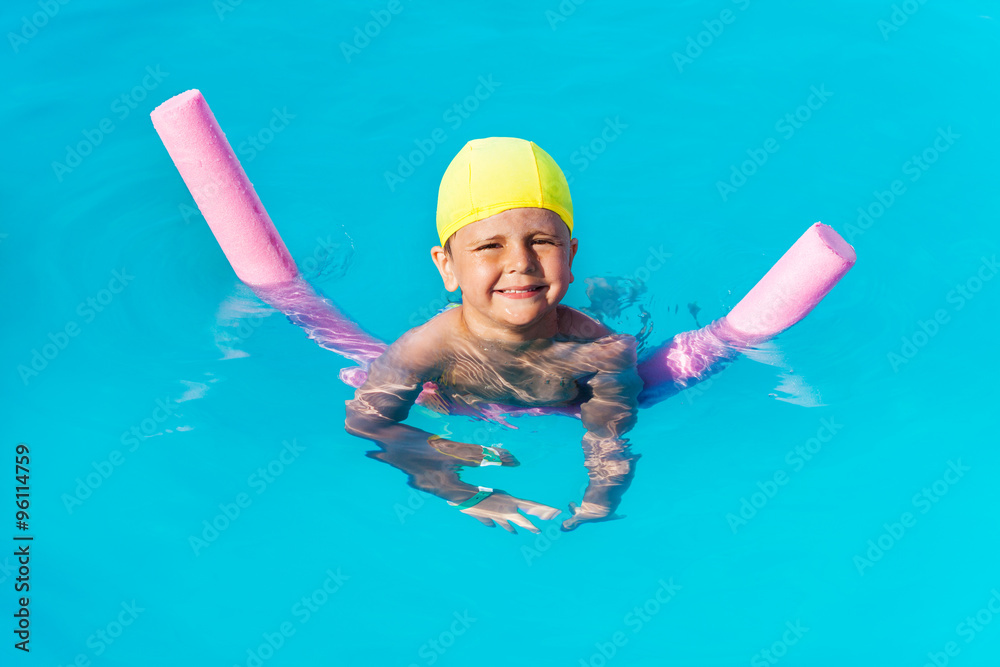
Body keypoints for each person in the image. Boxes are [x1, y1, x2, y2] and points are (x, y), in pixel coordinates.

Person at [344, 137, 641, 533]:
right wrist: (447, 479)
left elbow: (610, 434)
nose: (521, 262)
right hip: (456, 405)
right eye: (489, 246)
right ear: (447, 267)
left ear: (570, 256)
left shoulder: (600, 350)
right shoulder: (427, 347)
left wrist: (603, 494)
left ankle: (611, 295)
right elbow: (365, 421)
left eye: (541, 241)